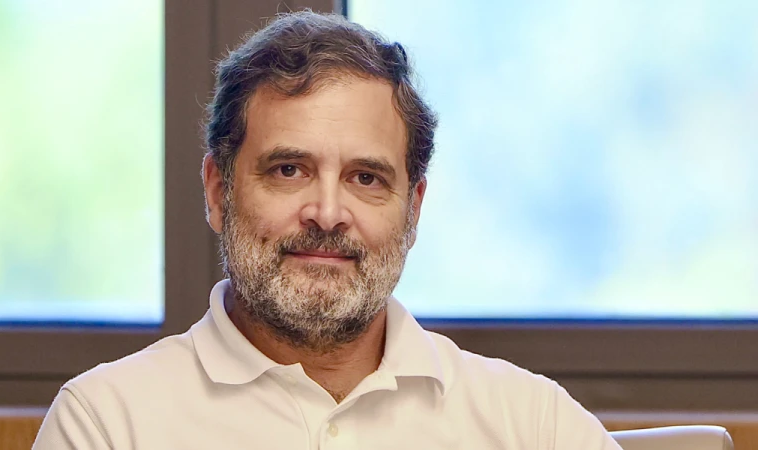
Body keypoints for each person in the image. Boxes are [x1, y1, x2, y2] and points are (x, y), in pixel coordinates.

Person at [33, 11, 621, 450]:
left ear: (413, 211)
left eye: (366, 178)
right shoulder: (107, 423)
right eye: (289, 170)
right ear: (217, 191)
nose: (328, 211)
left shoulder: (534, 425)